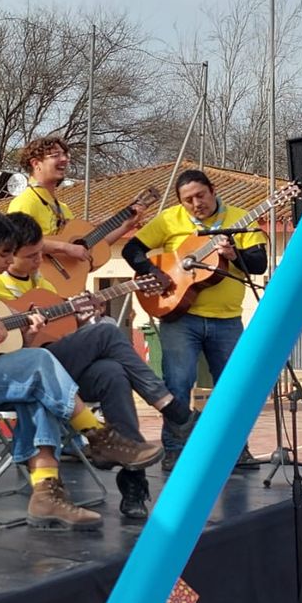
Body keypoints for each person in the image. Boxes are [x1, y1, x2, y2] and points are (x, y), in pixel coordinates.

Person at [0, 211, 160, 532]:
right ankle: (96, 434)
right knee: (40, 364)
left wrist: (27, 334)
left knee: (37, 388)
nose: (8, 260)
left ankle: (45, 493)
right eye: (3, 254)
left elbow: (3, 348)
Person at [0, 212, 191, 518]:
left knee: (112, 373)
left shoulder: (42, 282)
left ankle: (133, 482)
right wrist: (31, 335)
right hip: (23, 375)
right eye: (31, 256)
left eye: (40, 253)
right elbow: (5, 352)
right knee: (108, 331)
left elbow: (59, 332)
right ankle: (171, 408)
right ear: (9, 254)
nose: (38, 260)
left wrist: (80, 319)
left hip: (56, 370)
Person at [122, 169, 269, 472]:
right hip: (179, 317)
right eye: (188, 200)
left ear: (213, 190)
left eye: (200, 196)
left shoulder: (241, 219)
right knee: (177, 384)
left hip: (227, 319)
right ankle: (175, 450)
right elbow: (131, 248)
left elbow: (259, 264)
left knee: (232, 387)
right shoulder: (169, 219)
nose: (195, 204)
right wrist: (153, 272)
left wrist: (234, 253)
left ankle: (235, 450)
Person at [6, 136, 143, 268]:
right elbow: (18, 242)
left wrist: (125, 227)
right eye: (55, 155)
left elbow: (91, 247)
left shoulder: (63, 208)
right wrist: (65, 248)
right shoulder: (24, 202)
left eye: (65, 155)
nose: (64, 159)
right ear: (36, 164)